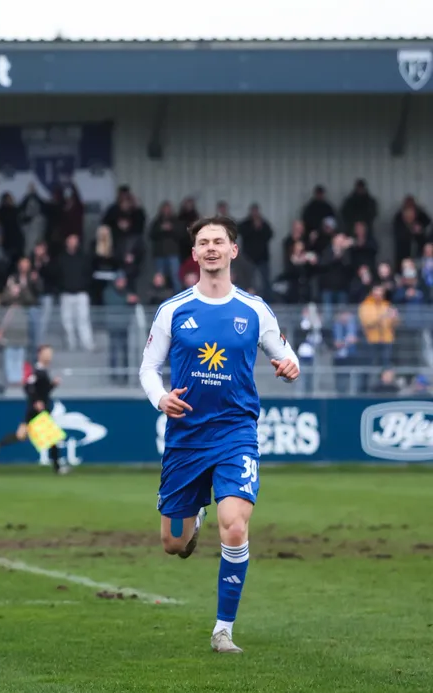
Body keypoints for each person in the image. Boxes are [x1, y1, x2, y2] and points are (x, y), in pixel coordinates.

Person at [138, 215, 300, 654]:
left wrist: (290, 367)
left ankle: (223, 630)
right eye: (203, 242)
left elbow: (287, 356)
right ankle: (194, 520)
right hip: (186, 438)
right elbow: (148, 368)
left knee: (235, 527)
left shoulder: (254, 309)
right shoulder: (173, 309)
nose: (211, 248)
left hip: (236, 433)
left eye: (218, 241)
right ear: (194, 254)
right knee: (173, 543)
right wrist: (160, 398)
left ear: (233, 250)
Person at [0, 345, 64, 473]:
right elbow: (28, 387)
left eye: (50, 353)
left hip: (35, 410)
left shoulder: (42, 371)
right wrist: (36, 401)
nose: (49, 356)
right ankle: (58, 468)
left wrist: (52, 385)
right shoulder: (37, 371)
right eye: (47, 353)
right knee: (53, 438)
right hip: (36, 411)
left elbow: (43, 391)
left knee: (21, 436)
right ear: (40, 355)